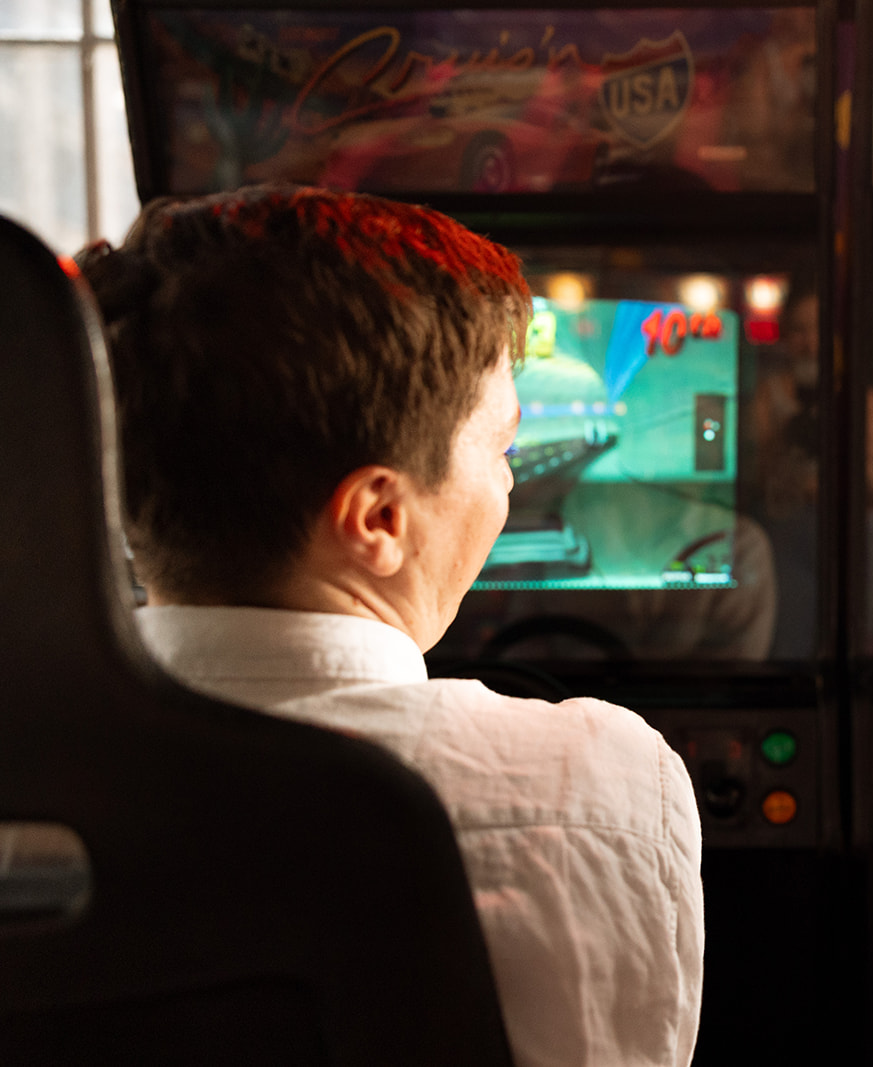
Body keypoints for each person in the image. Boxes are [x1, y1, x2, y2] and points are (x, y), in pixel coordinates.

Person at [76, 185, 704, 1067]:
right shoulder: (592, 788)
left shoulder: (40, 774)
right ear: (378, 518)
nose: (511, 485)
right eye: (502, 449)